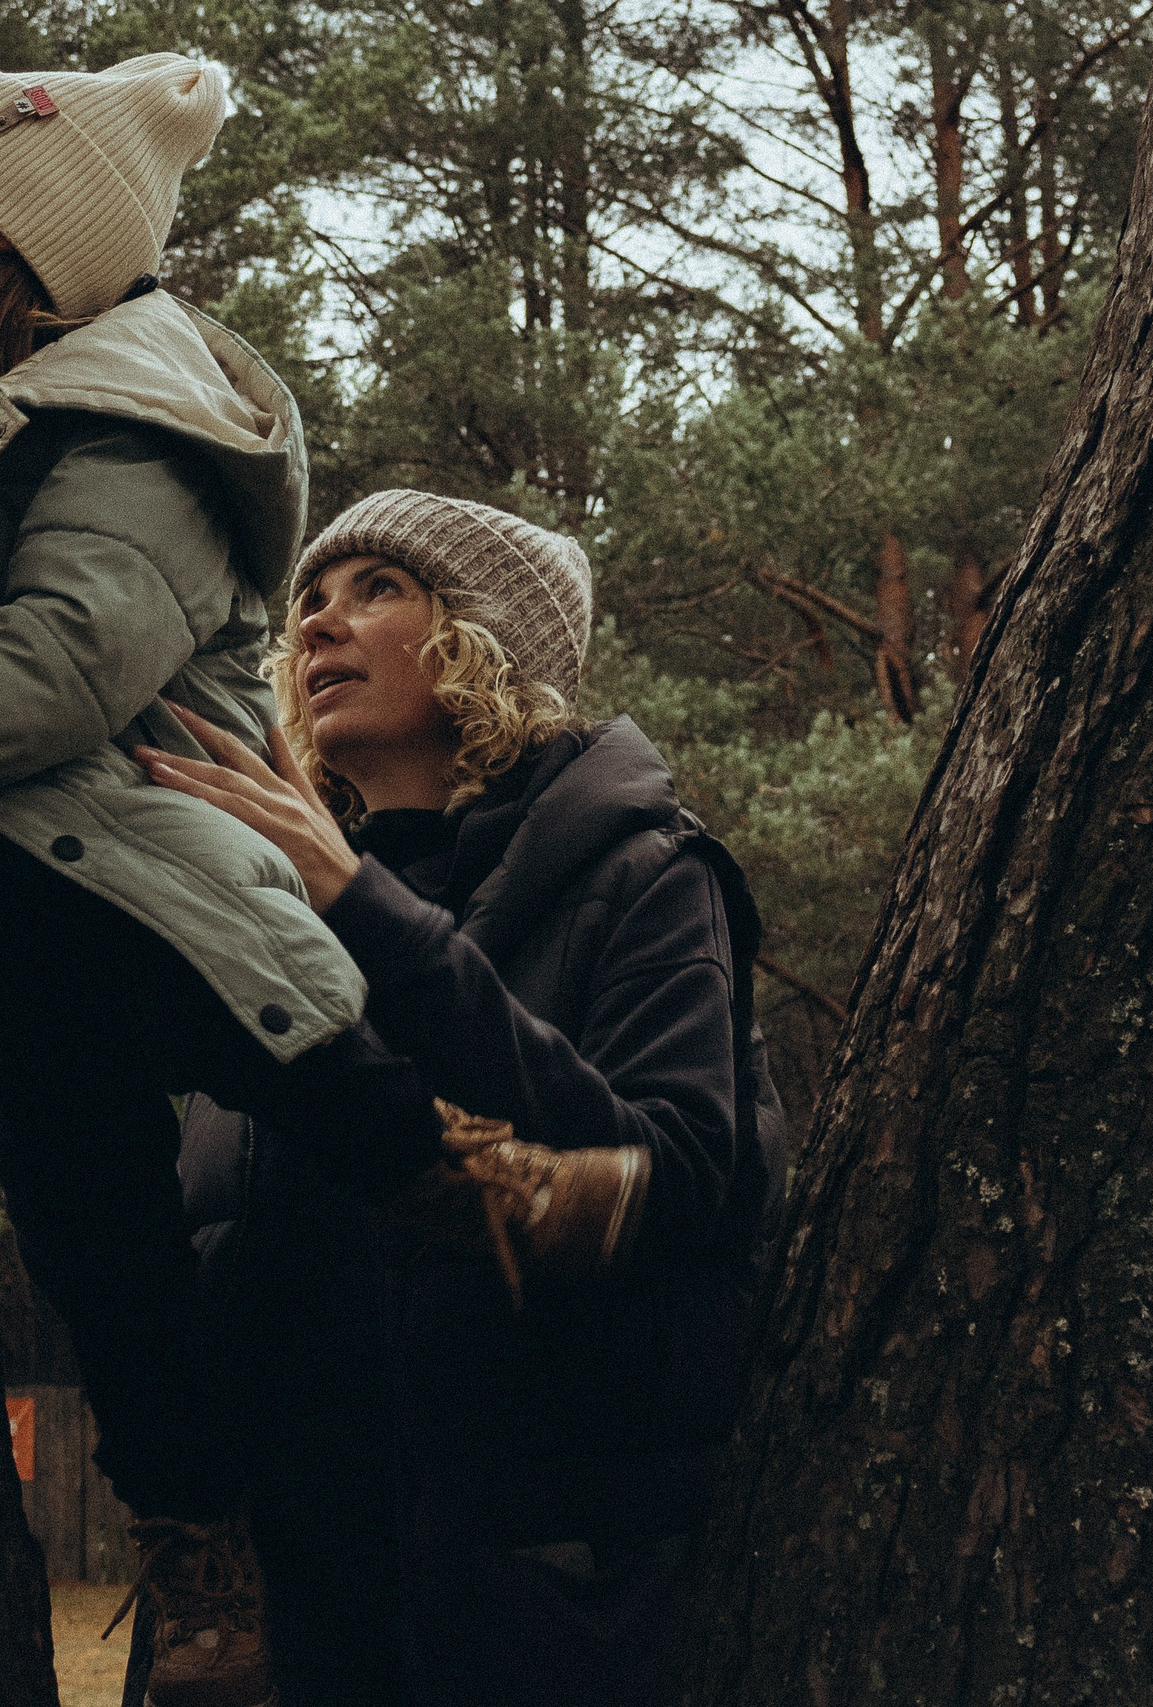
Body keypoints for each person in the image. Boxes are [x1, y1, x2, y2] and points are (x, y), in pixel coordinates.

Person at [0, 57, 620, 1707]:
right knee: (101, 1253)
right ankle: (194, 1532)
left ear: (18, 228)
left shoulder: (138, 420)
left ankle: (488, 1184)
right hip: (5, 922)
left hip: (129, 862)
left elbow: (80, 643)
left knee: (295, 1043)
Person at [142, 490, 787, 1706]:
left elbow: (680, 1180)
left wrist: (366, 909)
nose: (315, 624)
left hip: (530, 1603)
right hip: (290, 1610)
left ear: (486, 641)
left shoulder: (643, 873)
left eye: (377, 588)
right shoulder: (257, 907)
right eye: (309, 600)